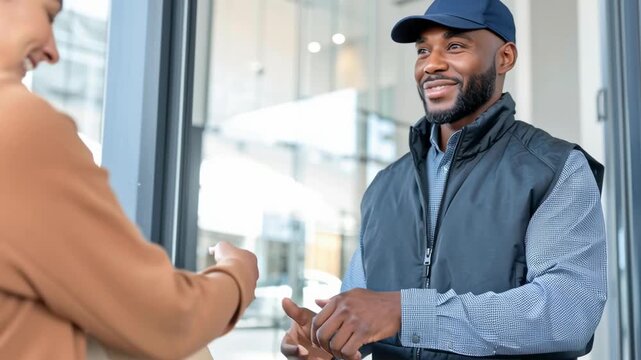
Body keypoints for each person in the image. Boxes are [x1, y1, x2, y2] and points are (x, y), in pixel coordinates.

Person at [281, 0, 607, 359]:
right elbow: (364, 320)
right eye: (423, 50)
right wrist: (327, 342)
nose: (431, 64)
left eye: (455, 46)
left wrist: (407, 311)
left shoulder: (555, 168)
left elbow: (568, 312)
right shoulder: (384, 187)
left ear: (505, 57)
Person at [0, 0, 258, 359]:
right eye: (49, 14)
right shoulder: (19, 128)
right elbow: (168, 318)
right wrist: (239, 273)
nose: (53, 51)